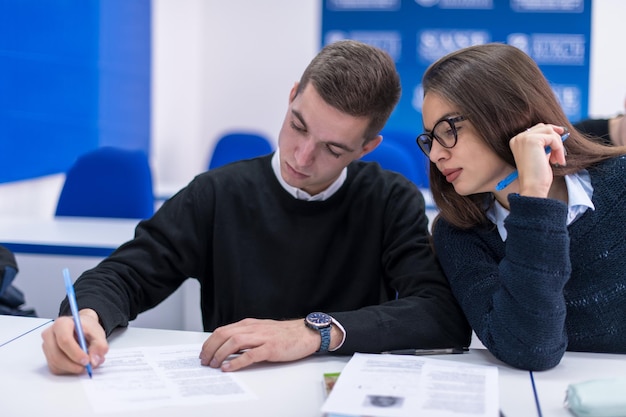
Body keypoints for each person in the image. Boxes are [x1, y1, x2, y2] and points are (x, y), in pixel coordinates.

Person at [42, 40, 471, 376]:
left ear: (366, 148)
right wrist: (86, 317)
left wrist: (312, 333)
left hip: (340, 393)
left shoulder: (390, 199)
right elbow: (126, 273)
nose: (301, 158)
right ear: (291, 98)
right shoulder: (217, 193)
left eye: (333, 149)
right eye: (298, 125)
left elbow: (439, 313)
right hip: (232, 388)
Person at [415, 43, 626, 371]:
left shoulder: (621, 183)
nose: (436, 154)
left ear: (510, 111)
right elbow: (531, 349)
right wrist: (533, 200)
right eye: (431, 138)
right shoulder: (459, 234)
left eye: (449, 130)